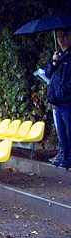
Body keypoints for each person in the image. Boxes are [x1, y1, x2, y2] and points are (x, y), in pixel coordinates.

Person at [45, 28, 71, 168]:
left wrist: (64, 90)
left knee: (68, 131)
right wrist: (54, 62)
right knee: (62, 134)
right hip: (57, 102)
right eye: (59, 37)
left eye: (64, 36)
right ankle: (65, 157)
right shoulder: (58, 55)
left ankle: (69, 158)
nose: (61, 40)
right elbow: (48, 73)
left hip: (67, 101)